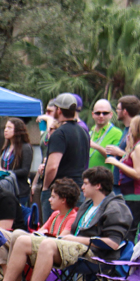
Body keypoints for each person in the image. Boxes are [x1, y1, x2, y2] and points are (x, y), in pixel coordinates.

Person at [0, 166, 132, 281]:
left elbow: (113, 243)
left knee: (47, 244)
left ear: (97, 185)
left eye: (85, 183)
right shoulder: (88, 204)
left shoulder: (115, 207)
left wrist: (74, 238)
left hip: (95, 254)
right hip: (74, 246)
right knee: (22, 240)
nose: (82, 186)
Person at [0, 178, 80, 281]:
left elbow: (61, 240)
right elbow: (40, 232)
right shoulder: (55, 214)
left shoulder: (72, 216)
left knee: (18, 235)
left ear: (63, 200)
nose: (49, 199)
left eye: (53, 197)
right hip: (38, 243)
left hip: (50, 250)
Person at [38, 93, 89, 221]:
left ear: (59, 110)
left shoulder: (59, 134)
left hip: (60, 192)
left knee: (52, 232)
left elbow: (52, 166)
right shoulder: (83, 132)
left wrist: (45, 187)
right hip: (78, 190)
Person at [106, 114, 140, 217]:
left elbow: (138, 173)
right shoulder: (136, 147)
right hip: (130, 193)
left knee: (132, 228)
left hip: (137, 194)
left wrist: (117, 163)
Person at [105, 95, 140, 195]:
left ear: (125, 112)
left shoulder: (136, 132)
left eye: (118, 109)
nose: (116, 111)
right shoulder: (126, 130)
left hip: (127, 185)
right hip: (118, 182)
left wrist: (119, 152)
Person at [0, 118, 33, 205]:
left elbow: (25, 171)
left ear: (18, 130)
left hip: (19, 191)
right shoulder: (5, 148)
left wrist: (5, 172)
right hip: (5, 189)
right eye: (5, 127)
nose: (5, 130)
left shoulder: (25, 147)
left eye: (9, 128)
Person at [87, 100, 121, 171]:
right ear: (93, 114)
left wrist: (96, 147)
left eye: (105, 113)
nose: (101, 116)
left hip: (106, 178)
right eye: (98, 113)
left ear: (111, 115)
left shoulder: (117, 133)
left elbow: (116, 158)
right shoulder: (90, 132)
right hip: (88, 177)